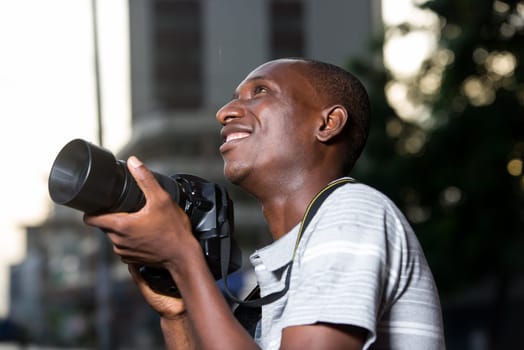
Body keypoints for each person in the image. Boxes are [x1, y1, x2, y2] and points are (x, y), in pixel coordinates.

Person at [84, 58, 445, 349]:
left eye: (260, 92)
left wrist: (181, 254)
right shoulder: (278, 276)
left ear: (328, 123)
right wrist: (177, 315)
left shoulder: (353, 209)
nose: (225, 111)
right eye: (235, 97)